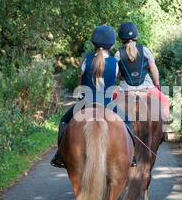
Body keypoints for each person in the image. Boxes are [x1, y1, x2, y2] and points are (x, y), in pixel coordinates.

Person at [51, 25, 137, 168]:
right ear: (112, 45)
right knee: (128, 122)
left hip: (86, 103)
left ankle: (60, 155)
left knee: (64, 121)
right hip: (107, 104)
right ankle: (132, 156)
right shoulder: (114, 64)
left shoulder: (87, 60)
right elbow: (115, 78)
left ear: (93, 44)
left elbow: (81, 78)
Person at [114, 21, 170, 118]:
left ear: (122, 38)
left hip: (125, 89)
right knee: (165, 101)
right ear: (136, 36)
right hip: (146, 86)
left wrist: (120, 76)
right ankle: (163, 130)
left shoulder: (118, 54)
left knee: (109, 105)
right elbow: (154, 69)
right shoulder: (145, 50)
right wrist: (157, 85)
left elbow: (116, 74)